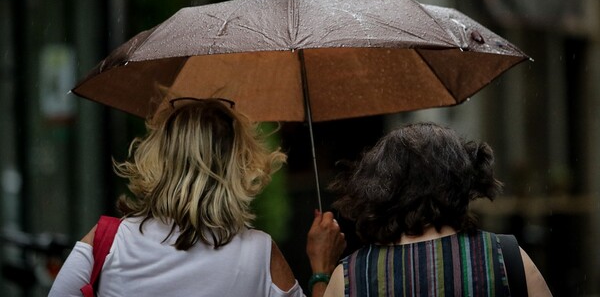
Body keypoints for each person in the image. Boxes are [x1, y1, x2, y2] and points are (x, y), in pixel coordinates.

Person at [49, 98, 346, 297]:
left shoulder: (106, 242)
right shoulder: (260, 254)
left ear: (162, 159)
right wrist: (321, 269)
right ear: (236, 166)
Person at [323, 122, 552, 297]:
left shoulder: (350, 277)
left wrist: (319, 272)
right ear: (461, 180)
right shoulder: (507, 257)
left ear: (380, 188)